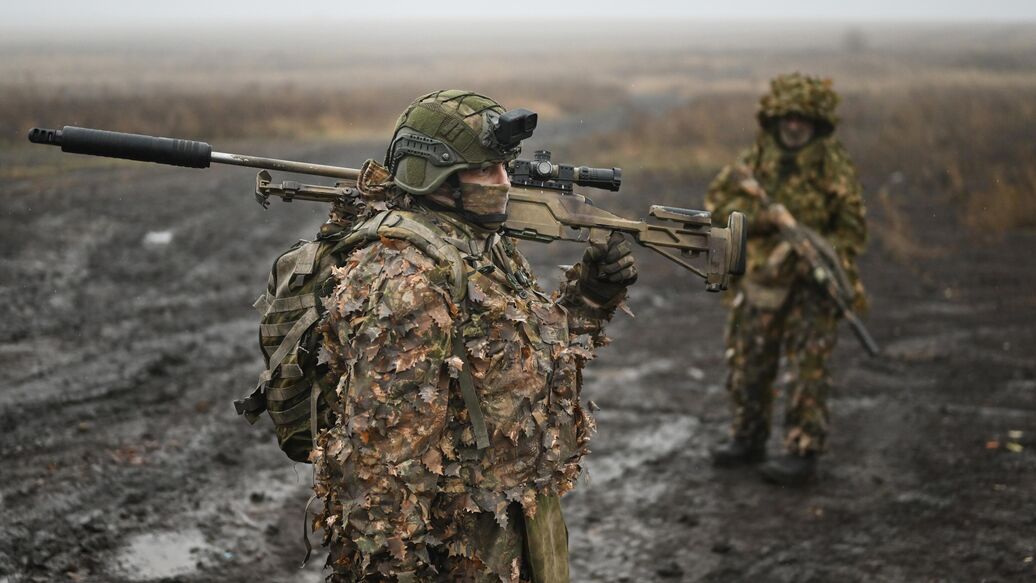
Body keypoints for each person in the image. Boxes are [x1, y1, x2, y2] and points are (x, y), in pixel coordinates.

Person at [310, 90, 637, 581]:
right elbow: (383, 476)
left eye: (505, 166)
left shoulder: (482, 246)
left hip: (513, 534)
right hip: (454, 553)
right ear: (436, 176)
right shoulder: (407, 279)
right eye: (487, 171)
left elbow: (524, 371)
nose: (506, 183)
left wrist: (591, 297)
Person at [704, 73, 868, 485]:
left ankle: (802, 449)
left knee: (807, 372)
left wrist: (820, 256)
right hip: (759, 281)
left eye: (803, 119)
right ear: (775, 120)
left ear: (816, 123)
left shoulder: (834, 166)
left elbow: (852, 231)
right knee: (748, 365)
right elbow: (720, 207)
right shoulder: (754, 162)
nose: (794, 126)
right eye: (788, 118)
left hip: (810, 287)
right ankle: (747, 438)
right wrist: (766, 222)